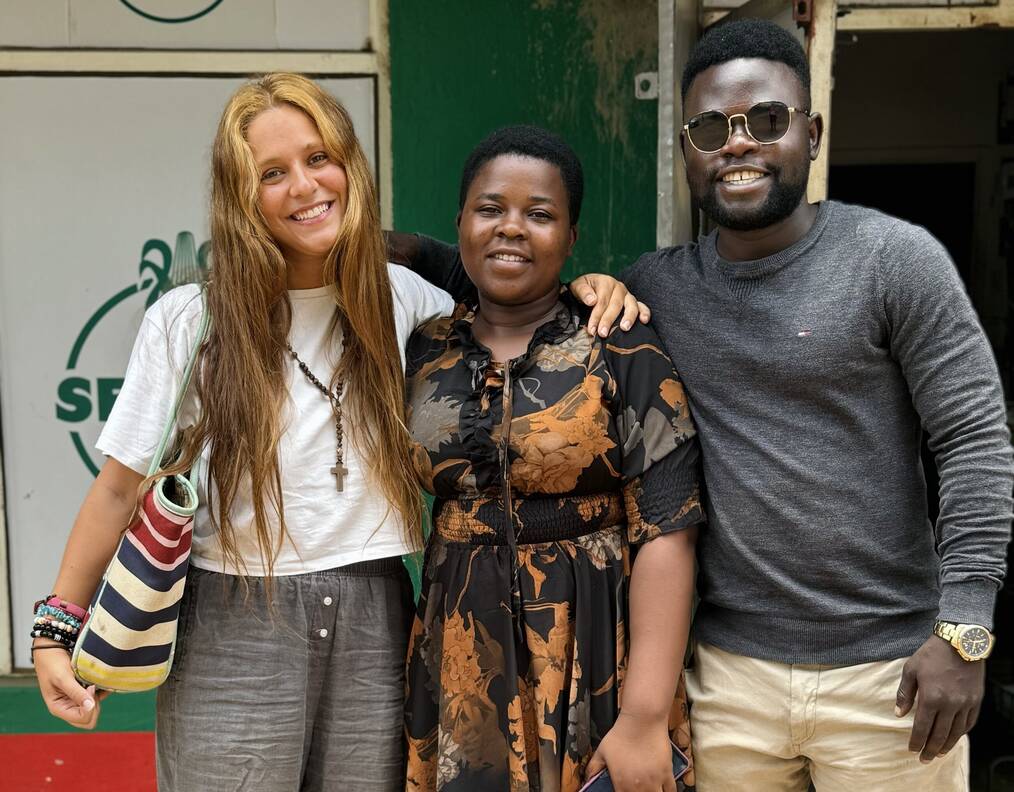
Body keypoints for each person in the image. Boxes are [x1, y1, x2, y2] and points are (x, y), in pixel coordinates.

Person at [392, 20, 1014, 791]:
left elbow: (976, 439)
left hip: (885, 671)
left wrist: (965, 630)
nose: (739, 144)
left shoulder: (892, 260)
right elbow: (508, 270)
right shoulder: (653, 292)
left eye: (768, 120)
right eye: (712, 127)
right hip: (725, 675)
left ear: (812, 133)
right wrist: (373, 243)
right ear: (687, 147)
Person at [32, 74, 642, 792]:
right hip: (235, 619)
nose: (304, 185)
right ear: (241, 195)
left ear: (350, 164)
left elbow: (517, 292)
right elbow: (116, 490)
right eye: (272, 173)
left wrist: (591, 285)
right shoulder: (190, 319)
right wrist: (57, 627)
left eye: (320, 158)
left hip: (378, 613)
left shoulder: (410, 299)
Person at [402, 125, 703, 792]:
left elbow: (667, 532)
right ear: (460, 225)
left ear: (570, 238)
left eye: (539, 214)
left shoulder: (620, 346)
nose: (511, 228)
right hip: (460, 658)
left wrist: (646, 716)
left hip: (596, 644)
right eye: (489, 210)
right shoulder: (425, 349)